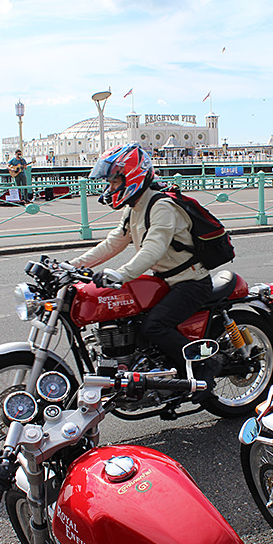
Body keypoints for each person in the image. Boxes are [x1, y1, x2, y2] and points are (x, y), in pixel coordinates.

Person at [70, 143, 220, 395]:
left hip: (190, 282)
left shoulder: (161, 206)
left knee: (154, 326)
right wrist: (72, 266)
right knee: (130, 318)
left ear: (132, 176)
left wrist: (120, 273)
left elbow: (154, 249)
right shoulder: (135, 208)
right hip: (164, 281)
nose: (111, 187)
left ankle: (203, 365)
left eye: (115, 181)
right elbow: (112, 243)